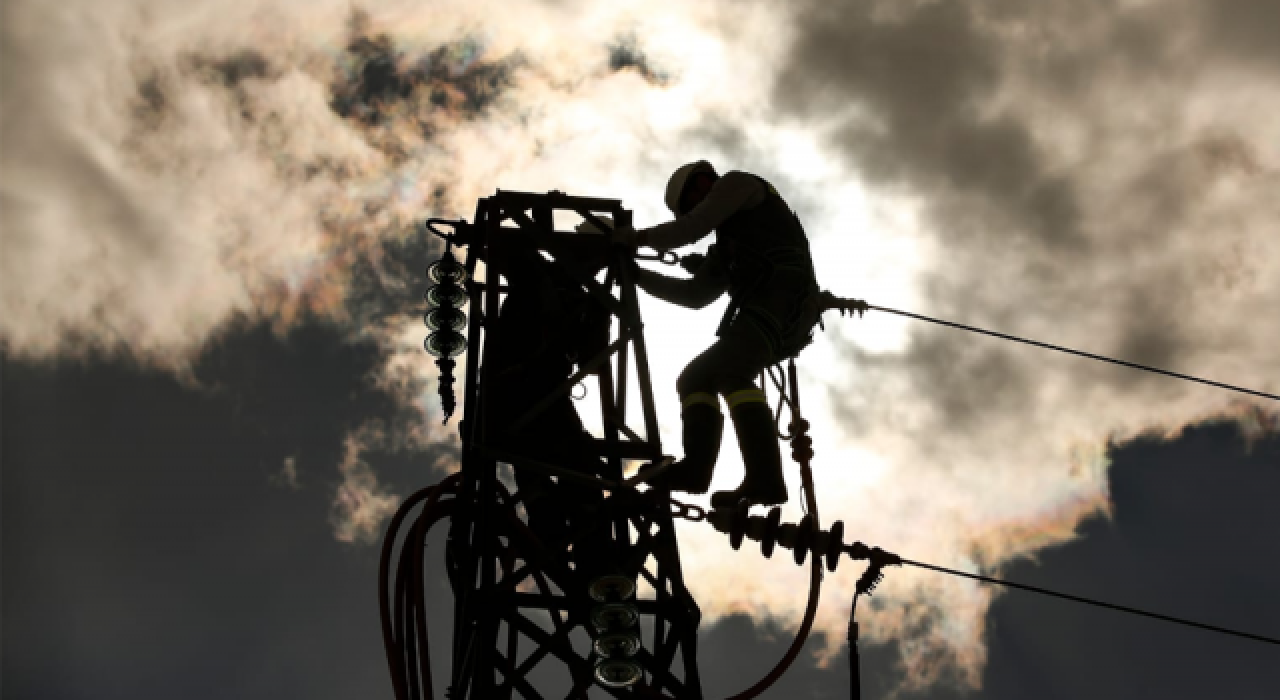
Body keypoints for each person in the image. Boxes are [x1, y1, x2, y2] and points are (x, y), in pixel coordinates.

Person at [614, 161, 823, 509]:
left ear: (705, 179)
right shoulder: (727, 246)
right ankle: (712, 472)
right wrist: (638, 277)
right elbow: (695, 296)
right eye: (692, 202)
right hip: (778, 310)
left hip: (784, 298)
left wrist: (637, 240)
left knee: (730, 373)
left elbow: (691, 228)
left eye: (696, 194)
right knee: (694, 380)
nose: (700, 201)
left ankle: (757, 478)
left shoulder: (740, 184)